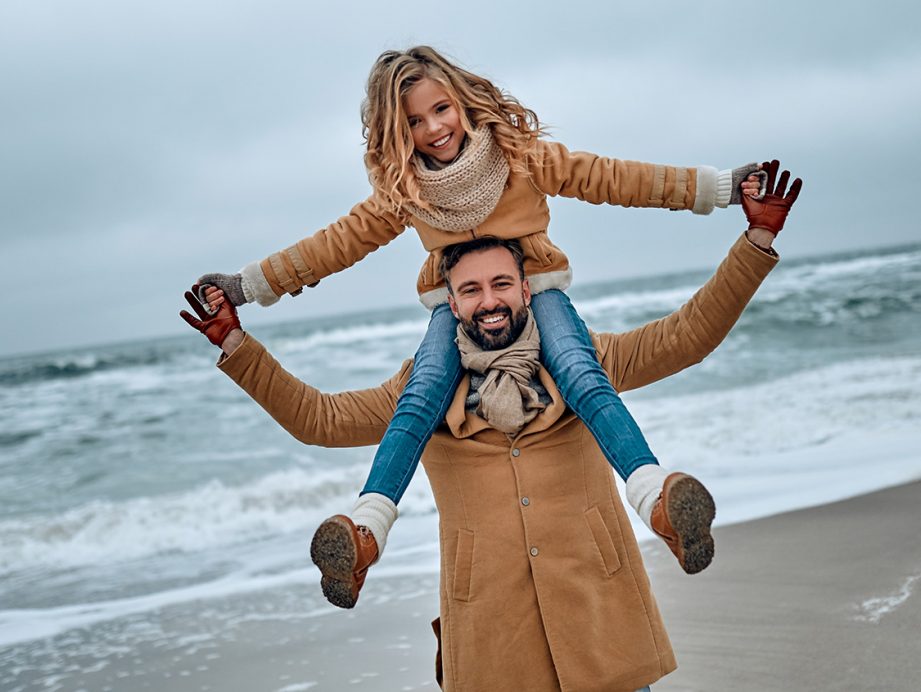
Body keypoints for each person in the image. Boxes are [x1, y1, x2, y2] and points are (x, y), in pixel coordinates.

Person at [181, 162, 801, 691]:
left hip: (601, 623)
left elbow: (687, 337)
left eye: (502, 283)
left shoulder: (584, 361)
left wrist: (756, 242)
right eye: (471, 289)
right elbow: (318, 419)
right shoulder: (420, 391)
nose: (489, 299)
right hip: (491, 643)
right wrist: (236, 343)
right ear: (451, 304)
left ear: (528, 291)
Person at [193, 45, 767, 607]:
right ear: (397, 133)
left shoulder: (520, 158)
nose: (433, 128)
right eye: (414, 121)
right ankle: (365, 532)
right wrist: (245, 293)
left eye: (440, 109)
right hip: (489, 619)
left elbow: (614, 180)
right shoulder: (405, 192)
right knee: (418, 400)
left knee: (579, 373)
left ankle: (655, 499)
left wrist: (719, 191)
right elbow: (331, 250)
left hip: (540, 289)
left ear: (463, 103)